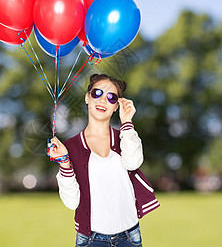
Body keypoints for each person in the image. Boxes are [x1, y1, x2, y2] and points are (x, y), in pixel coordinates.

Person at [47, 74, 159, 247]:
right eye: (97, 93)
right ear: (87, 97)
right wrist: (64, 163)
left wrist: (127, 121)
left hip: (129, 237)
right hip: (90, 240)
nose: (103, 100)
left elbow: (133, 163)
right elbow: (72, 202)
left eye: (111, 97)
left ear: (116, 106)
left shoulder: (125, 137)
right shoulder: (70, 147)